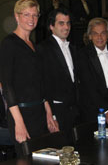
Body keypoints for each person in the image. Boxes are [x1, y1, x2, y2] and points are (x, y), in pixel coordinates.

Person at [0, 0, 58, 158]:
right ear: (17, 17)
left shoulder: (35, 46)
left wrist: (48, 113)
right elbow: (7, 86)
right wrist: (18, 122)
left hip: (39, 112)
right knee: (26, 159)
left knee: (43, 159)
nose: (31, 19)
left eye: (35, 15)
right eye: (26, 14)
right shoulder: (9, 43)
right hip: (21, 113)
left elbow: (41, 84)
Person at [38, 7, 79, 142]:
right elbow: (43, 84)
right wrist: (52, 116)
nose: (66, 27)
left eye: (68, 23)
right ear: (51, 26)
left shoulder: (73, 48)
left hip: (74, 111)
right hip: (57, 111)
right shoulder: (43, 48)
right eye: (61, 23)